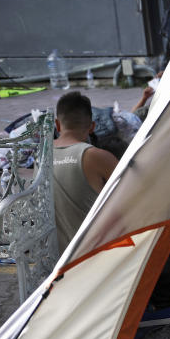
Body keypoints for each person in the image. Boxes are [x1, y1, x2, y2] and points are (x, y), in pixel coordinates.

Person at [52, 91, 119, 250]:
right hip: (90, 256)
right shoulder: (96, 157)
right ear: (92, 127)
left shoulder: (40, 155)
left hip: (54, 258)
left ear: (57, 124)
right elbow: (132, 199)